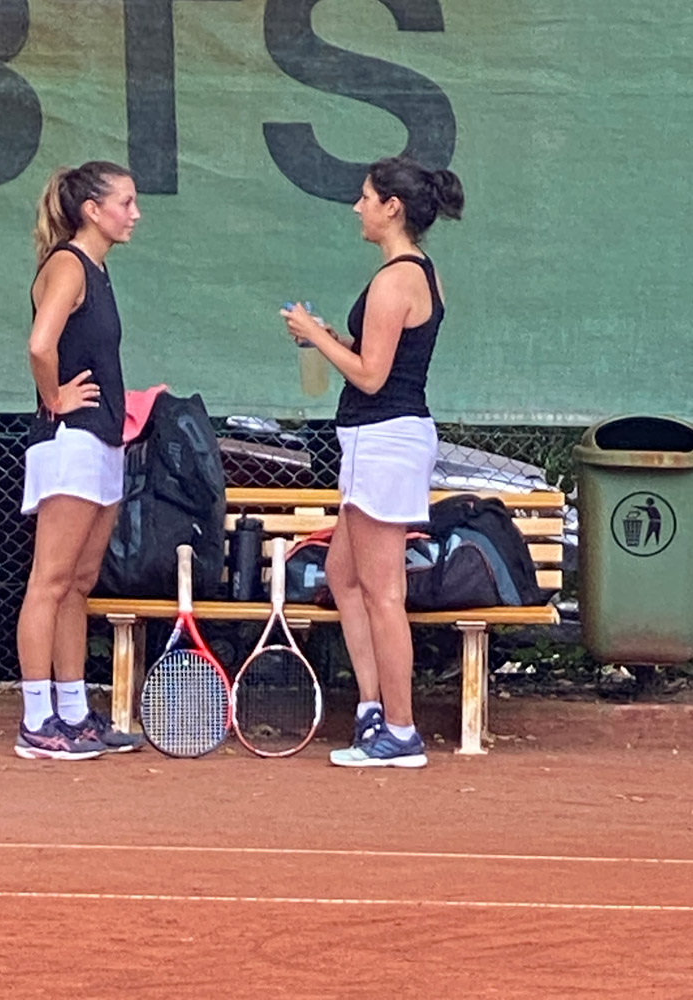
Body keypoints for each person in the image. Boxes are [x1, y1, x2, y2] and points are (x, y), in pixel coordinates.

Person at [281, 155, 464, 768]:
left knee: (384, 593)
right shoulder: (419, 273)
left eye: (365, 197)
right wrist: (331, 338)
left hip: (383, 439)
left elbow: (371, 375)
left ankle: (402, 731)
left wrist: (316, 335)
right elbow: (378, 356)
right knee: (343, 574)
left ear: (393, 207)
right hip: (383, 438)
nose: (357, 207)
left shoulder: (395, 280)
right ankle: (371, 707)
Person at [14, 161, 144, 760]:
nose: (134, 214)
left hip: (102, 440)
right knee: (50, 580)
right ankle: (36, 720)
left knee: (79, 582)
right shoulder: (68, 264)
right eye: (125, 202)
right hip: (69, 440)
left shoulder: (98, 269)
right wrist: (54, 397)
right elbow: (41, 344)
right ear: (92, 210)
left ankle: (72, 712)